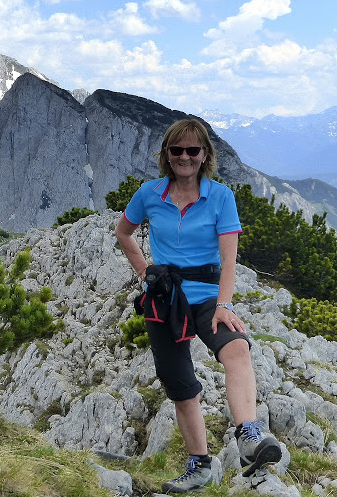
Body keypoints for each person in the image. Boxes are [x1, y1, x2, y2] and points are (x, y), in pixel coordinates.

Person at [115, 118, 282, 493]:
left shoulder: (220, 197)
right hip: (165, 298)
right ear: (167, 154)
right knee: (180, 384)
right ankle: (199, 466)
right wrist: (144, 272)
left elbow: (229, 260)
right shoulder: (149, 194)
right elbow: (123, 232)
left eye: (193, 150)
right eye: (177, 150)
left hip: (208, 296)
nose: (185, 157)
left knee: (236, 348)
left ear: (205, 154)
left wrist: (225, 304)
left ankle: (249, 435)